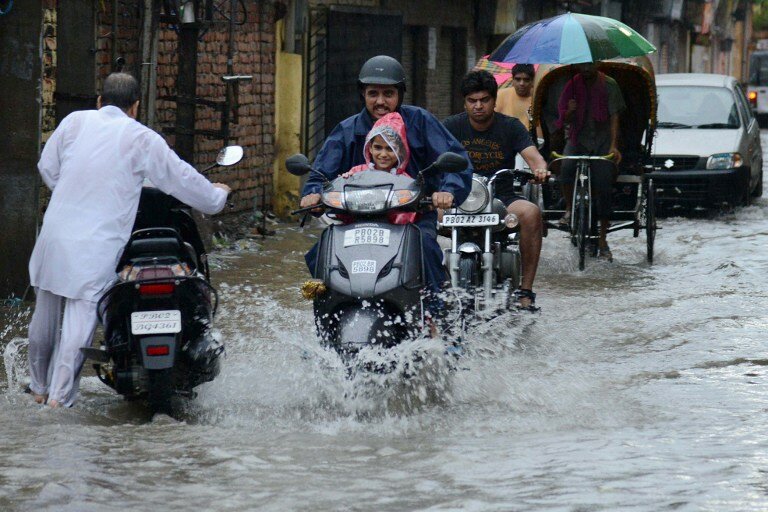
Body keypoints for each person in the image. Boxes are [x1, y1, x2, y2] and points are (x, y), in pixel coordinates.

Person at [27, 72, 231, 408]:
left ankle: (37, 390)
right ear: (135, 107)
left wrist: (75, 193)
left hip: (56, 233)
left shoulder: (74, 122)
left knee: (45, 314)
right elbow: (181, 180)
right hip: (96, 244)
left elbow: (48, 168)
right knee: (80, 319)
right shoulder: (141, 138)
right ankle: (59, 401)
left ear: (99, 101)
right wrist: (216, 196)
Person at [300, 55, 473, 319]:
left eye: (388, 93)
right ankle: (329, 318)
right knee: (319, 252)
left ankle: (441, 320)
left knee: (426, 248)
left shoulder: (421, 122)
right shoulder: (347, 130)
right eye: (373, 94)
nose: (380, 101)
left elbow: (457, 162)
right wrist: (312, 195)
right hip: (353, 218)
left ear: (400, 94)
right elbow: (320, 172)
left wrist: (447, 192)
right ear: (363, 94)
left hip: (411, 217)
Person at [443, 70, 550, 310]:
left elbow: (533, 156)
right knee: (423, 214)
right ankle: (429, 289)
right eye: (472, 101)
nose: (478, 106)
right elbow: (430, 156)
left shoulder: (511, 127)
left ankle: (526, 290)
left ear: (494, 100)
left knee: (531, 213)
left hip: (501, 197)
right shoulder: (450, 126)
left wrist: (540, 169)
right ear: (465, 102)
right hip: (459, 198)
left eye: (484, 100)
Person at [554, 62, 625, 262]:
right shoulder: (571, 85)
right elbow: (564, 119)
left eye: (590, 64)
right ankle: (569, 208)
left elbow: (614, 117)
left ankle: (602, 239)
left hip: (602, 140)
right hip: (577, 139)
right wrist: (569, 111)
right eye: (582, 64)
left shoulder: (609, 85)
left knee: (604, 183)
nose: (586, 68)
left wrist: (613, 145)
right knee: (566, 169)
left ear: (597, 64)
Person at [340, 111, 418, 225]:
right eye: (378, 147)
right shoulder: (356, 173)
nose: (383, 154)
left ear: (400, 151)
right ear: (369, 148)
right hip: (356, 228)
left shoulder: (405, 181)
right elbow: (342, 209)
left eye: (390, 148)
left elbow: (408, 216)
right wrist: (343, 181)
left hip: (393, 232)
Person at [495, 63, 540, 137]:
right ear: (512, 80)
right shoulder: (501, 94)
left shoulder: (537, 98)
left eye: (526, 80)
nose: (521, 83)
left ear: (532, 81)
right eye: (518, 79)